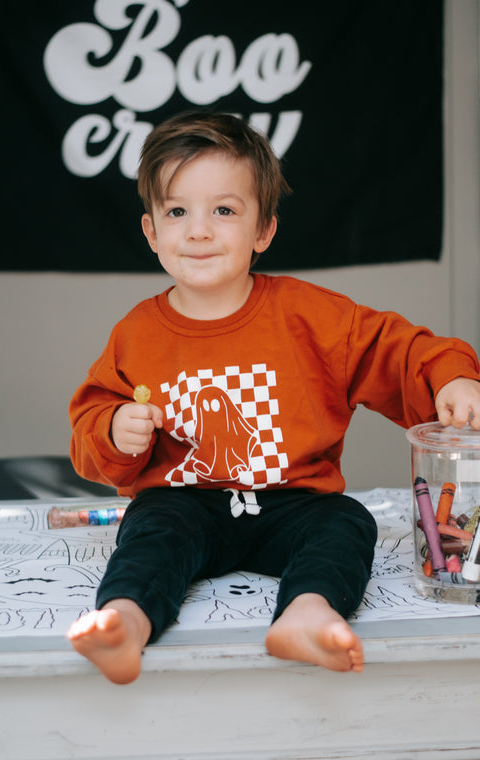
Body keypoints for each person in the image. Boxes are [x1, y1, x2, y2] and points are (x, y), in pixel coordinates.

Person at [67, 110, 480, 684]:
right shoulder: (136, 333)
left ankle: (306, 614)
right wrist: (113, 427)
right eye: (177, 211)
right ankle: (125, 619)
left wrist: (451, 376)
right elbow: (89, 427)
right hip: (187, 505)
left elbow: (398, 350)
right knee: (150, 531)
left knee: (347, 523)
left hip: (295, 505)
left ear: (264, 230)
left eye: (225, 211)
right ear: (151, 231)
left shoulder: (311, 316)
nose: (199, 230)